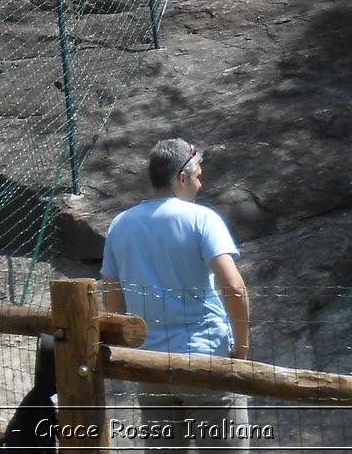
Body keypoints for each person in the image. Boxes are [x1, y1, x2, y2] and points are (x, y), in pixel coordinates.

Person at [100, 138, 251, 452]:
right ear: (182, 177)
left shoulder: (120, 225)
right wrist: (242, 345)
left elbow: (111, 297)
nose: (200, 182)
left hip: (151, 367)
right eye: (198, 175)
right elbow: (235, 288)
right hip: (207, 361)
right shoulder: (202, 219)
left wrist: (132, 349)